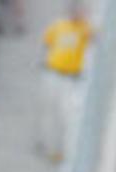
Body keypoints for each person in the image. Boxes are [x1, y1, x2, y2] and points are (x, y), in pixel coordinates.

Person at [36, 1, 93, 163]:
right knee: (49, 112)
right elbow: (47, 43)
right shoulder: (58, 25)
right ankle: (51, 149)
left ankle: (69, 152)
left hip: (70, 77)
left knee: (68, 115)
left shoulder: (84, 28)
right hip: (53, 72)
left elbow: (95, 37)